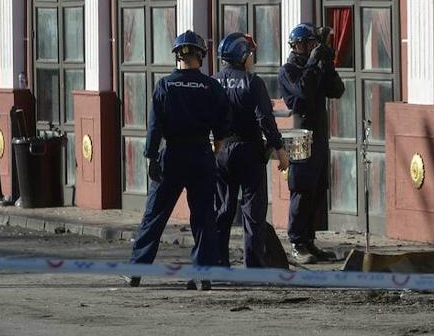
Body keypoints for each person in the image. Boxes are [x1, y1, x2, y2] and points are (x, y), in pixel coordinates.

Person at [126, 30, 230, 290]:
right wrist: (211, 154)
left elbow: (154, 127)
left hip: (172, 156)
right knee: (204, 217)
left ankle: (135, 272)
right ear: (201, 56)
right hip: (201, 156)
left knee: (155, 215)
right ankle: (203, 275)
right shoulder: (211, 86)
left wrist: (151, 157)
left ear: (177, 56)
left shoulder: (164, 85)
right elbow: (222, 133)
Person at [214, 33, 291, 267]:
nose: (252, 59)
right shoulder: (252, 82)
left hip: (222, 151)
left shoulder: (213, 81)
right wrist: (279, 148)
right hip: (250, 151)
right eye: (250, 54)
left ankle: (218, 263)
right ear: (242, 56)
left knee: (222, 210)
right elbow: (265, 118)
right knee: (253, 213)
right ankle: (254, 267)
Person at [278, 22, 345, 265]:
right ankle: (296, 241)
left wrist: (327, 62)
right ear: (297, 45)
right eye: (308, 45)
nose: (311, 49)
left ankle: (309, 240)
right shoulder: (289, 70)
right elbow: (303, 92)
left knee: (317, 189)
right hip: (300, 134)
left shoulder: (314, 67)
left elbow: (337, 90)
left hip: (318, 134)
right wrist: (312, 63)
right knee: (302, 188)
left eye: (313, 45)